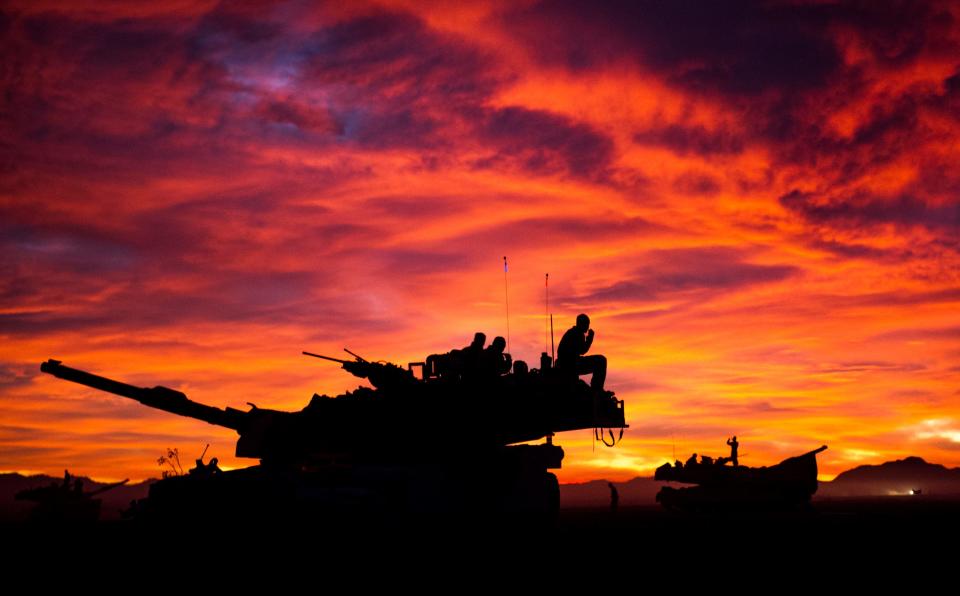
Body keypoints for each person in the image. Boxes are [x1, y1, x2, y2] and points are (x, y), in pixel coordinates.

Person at [556, 313, 607, 392]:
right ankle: (597, 389)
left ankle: (596, 388)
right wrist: (590, 338)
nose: (588, 327)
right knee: (601, 361)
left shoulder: (573, 332)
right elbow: (583, 350)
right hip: (571, 364)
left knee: (600, 360)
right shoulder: (576, 333)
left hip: (571, 363)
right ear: (581, 324)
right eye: (587, 324)